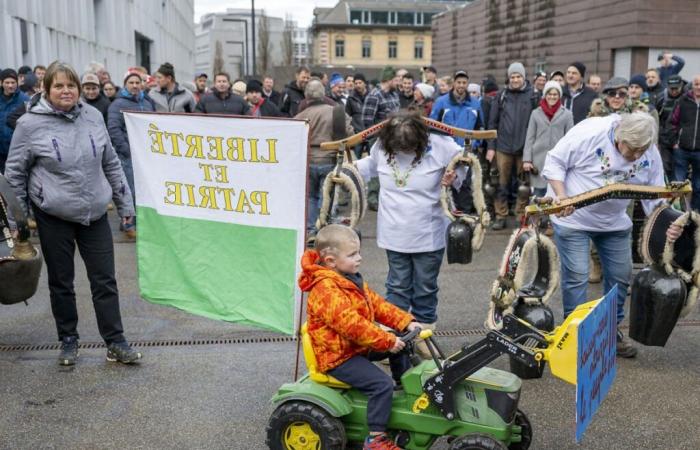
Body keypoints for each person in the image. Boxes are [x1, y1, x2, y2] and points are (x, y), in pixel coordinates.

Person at [4, 61, 142, 366]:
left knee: (104, 280)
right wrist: (17, 222)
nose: (66, 91)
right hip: (53, 215)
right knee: (62, 282)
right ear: (46, 89)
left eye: (71, 85)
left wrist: (125, 206)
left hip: (94, 214)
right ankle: (68, 339)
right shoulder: (29, 125)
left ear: (79, 89)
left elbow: (111, 164)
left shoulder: (93, 116)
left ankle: (116, 341)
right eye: (58, 86)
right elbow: (14, 174)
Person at [542, 112, 679, 358]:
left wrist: (668, 222)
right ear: (620, 136)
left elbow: (655, 194)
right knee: (577, 276)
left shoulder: (649, 150)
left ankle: (609, 332)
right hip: (574, 218)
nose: (637, 156)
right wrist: (561, 196)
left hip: (614, 223)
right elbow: (554, 162)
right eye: (632, 149)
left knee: (620, 276)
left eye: (642, 150)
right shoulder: (590, 133)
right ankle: (574, 336)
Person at [300, 224, 420, 450]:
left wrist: (405, 322)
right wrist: (387, 341)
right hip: (338, 356)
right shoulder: (326, 290)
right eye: (352, 254)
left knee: (402, 344)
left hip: (353, 347)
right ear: (330, 261)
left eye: (358, 252)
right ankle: (376, 438)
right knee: (380, 384)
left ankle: (404, 392)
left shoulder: (350, 278)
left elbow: (378, 305)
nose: (360, 258)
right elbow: (352, 326)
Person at [354, 112, 464, 347]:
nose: (404, 152)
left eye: (410, 148)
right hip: (393, 232)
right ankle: (394, 337)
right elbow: (369, 166)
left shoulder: (442, 145)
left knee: (425, 286)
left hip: (428, 232)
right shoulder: (382, 146)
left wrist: (454, 175)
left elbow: (463, 164)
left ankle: (423, 337)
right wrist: (348, 169)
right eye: (399, 148)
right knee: (397, 285)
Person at [295, 80, 353, 238]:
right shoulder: (336, 111)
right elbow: (349, 133)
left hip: (308, 162)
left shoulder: (299, 116)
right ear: (323, 93)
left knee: (311, 197)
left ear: (306, 96)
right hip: (329, 160)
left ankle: (310, 230)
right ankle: (323, 229)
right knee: (326, 196)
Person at [487, 62, 538, 230]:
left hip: (524, 148)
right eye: (512, 77)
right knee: (500, 184)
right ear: (509, 78)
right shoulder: (501, 96)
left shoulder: (533, 96)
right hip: (503, 147)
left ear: (524, 77)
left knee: (524, 186)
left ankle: (520, 215)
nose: (515, 80)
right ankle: (500, 215)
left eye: (518, 76)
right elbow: (492, 123)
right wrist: (491, 147)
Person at [107, 69, 156, 238]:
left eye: (137, 83)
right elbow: (114, 129)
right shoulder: (117, 104)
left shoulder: (148, 103)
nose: (135, 86)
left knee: (144, 192)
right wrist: (126, 151)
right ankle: (128, 223)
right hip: (128, 156)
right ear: (125, 85)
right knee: (129, 191)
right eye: (131, 83)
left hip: (146, 155)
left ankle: (138, 223)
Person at [523, 81, 574, 197]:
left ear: (559, 96)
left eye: (555, 94)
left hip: (558, 159)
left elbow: (570, 139)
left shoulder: (567, 114)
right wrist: (527, 159)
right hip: (538, 160)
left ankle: (553, 216)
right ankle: (537, 215)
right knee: (538, 194)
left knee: (556, 192)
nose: (552, 97)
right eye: (549, 94)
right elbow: (530, 137)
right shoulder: (535, 113)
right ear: (545, 95)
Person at [361, 66, 401, 211]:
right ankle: (373, 199)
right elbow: (367, 119)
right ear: (389, 79)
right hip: (378, 139)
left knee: (390, 170)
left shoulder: (393, 95)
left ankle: (386, 199)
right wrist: (375, 137)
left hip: (394, 139)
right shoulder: (374, 95)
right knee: (377, 170)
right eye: (396, 79)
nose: (399, 82)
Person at [670, 75, 700, 210]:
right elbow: (672, 122)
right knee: (678, 184)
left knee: (698, 186)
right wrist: (675, 142)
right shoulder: (683, 100)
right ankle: (677, 212)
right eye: (696, 84)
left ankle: (695, 214)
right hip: (681, 149)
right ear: (692, 85)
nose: (698, 87)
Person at [0, 68, 29, 173]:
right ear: (1, 83)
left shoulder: (25, 100)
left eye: (13, 82)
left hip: (17, 152)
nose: (10, 86)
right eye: (7, 83)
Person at [657, 74, 685, 180]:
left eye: (676, 88)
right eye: (671, 88)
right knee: (665, 167)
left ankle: (678, 194)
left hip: (681, 141)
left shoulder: (687, 98)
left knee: (679, 169)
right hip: (664, 140)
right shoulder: (661, 99)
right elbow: (656, 119)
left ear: (681, 86)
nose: (674, 91)